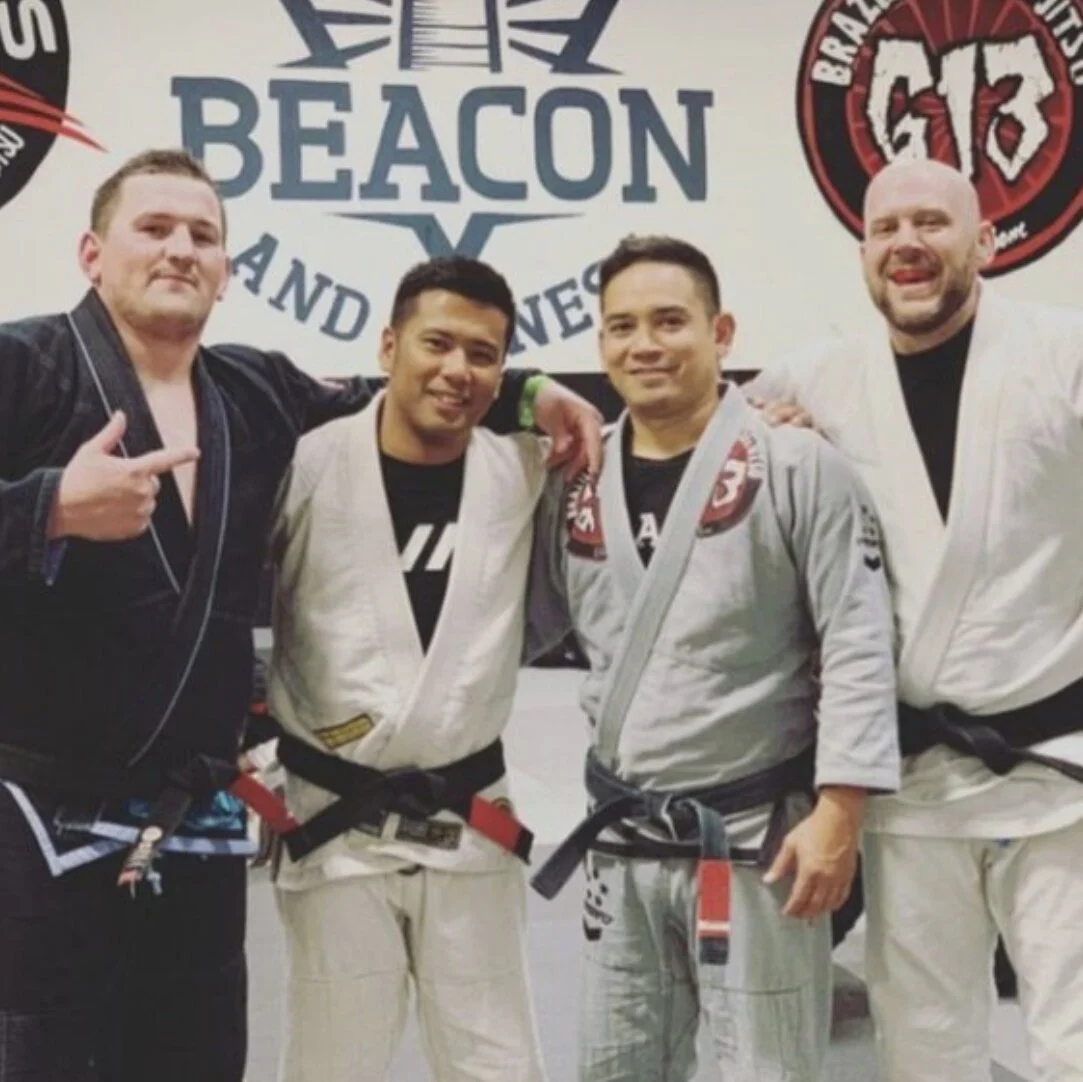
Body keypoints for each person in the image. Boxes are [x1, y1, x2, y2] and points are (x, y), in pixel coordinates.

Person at [0, 147, 602, 1082]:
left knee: (196, 1059)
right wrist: (48, 508)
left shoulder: (252, 393)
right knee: (48, 1059)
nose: (179, 250)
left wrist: (531, 389)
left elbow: (400, 399)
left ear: (226, 271)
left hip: (193, 817)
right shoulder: (22, 367)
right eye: (153, 228)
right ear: (90, 252)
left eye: (202, 235)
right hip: (46, 812)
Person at [526, 235, 900, 1082]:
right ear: (600, 346)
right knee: (613, 1067)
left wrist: (840, 813)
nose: (644, 345)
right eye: (621, 327)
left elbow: (857, 638)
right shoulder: (577, 482)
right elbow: (521, 625)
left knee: (763, 1069)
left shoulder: (797, 464)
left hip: (756, 839)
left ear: (720, 331)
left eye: (669, 321)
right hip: (621, 841)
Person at [748, 157, 1083, 1081]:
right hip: (910, 788)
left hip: (1061, 776)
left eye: (931, 224)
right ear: (861, 251)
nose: (906, 245)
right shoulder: (816, 377)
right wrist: (776, 450)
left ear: (983, 240)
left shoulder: (1062, 355)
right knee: (924, 1048)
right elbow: (693, 445)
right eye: (885, 228)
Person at [266, 255, 554, 1082]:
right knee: (331, 1061)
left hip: (469, 819)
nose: (457, 370)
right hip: (330, 822)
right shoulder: (304, 465)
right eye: (437, 342)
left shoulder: (523, 471)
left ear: (506, 371)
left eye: (484, 353)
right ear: (389, 345)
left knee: (497, 1059)